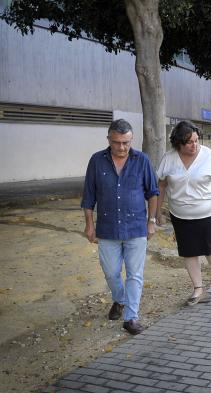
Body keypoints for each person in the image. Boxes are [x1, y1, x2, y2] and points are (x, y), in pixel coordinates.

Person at [82, 119, 159, 335]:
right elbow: (88, 197)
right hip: (106, 230)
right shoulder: (96, 161)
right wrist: (89, 226)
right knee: (111, 273)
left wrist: (151, 221)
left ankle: (131, 317)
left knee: (135, 274)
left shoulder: (142, 160)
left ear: (131, 140)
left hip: (136, 229)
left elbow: (153, 192)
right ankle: (119, 299)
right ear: (109, 140)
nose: (122, 147)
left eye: (126, 142)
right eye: (117, 142)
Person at [156, 121, 211, 306]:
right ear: (178, 143)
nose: (194, 145)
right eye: (189, 142)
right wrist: (156, 212)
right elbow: (161, 185)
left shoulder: (208, 156)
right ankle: (198, 289)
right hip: (180, 215)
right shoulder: (169, 158)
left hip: (210, 213)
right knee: (189, 252)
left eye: (197, 140)